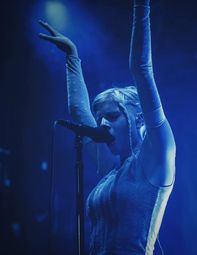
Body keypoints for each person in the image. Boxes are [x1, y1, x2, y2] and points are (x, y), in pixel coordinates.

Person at [39, 0, 176, 254]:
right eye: (100, 117)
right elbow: (80, 112)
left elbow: (142, 69)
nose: (102, 123)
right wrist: (72, 56)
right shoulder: (112, 170)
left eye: (112, 116)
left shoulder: (157, 155)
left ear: (137, 119)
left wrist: (141, 5)